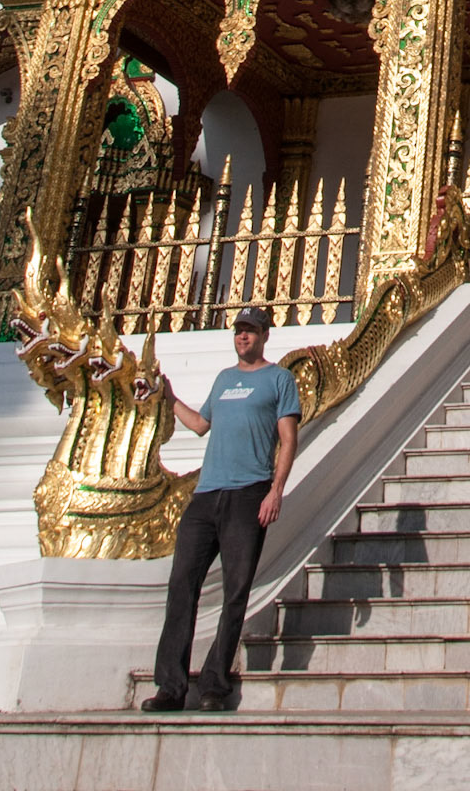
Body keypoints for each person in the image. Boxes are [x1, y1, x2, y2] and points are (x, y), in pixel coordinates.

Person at [141, 303, 301, 712]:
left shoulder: (279, 380)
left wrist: (275, 490)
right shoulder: (224, 379)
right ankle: (171, 686)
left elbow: (288, 439)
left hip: (249, 493)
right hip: (206, 494)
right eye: (238, 331)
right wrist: (169, 395)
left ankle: (214, 682)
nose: (242, 337)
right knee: (182, 586)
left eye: (249, 330)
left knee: (235, 590)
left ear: (265, 335)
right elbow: (199, 425)